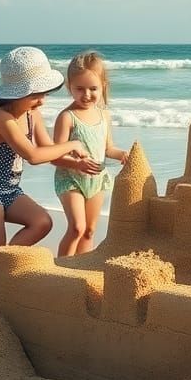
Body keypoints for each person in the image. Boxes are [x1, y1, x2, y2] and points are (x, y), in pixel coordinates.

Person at [0, 46, 93, 308]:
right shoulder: (1, 118)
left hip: (9, 190)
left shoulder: (32, 114)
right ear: (17, 93)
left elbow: (48, 151)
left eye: (44, 93)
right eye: (36, 94)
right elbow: (33, 155)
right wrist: (72, 145)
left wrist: (76, 163)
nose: (42, 100)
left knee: (41, 222)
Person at [53, 51, 129, 256]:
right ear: (69, 87)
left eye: (93, 89)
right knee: (77, 228)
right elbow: (55, 156)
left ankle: (80, 266)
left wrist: (122, 154)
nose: (86, 95)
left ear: (103, 86)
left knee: (89, 231)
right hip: (70, 180)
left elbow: (108, 148)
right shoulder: (67, 117)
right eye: (79, 89)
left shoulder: (104, 115)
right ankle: (61, 267)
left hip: (97, 179)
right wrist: (76, 164)